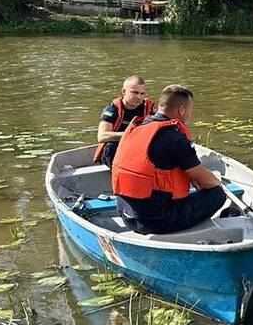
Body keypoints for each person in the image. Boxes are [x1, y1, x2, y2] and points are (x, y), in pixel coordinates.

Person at [111, 84, 228, 235]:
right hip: (157, 222)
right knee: (217, 194)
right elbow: (208, 183)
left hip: (127, 216)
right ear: (181, 110)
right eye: (190, 109)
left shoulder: (136, 127)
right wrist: (216, 181)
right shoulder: (174, 138)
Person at [95, 76, 154, 167]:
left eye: (142, 94)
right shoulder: (112, 109)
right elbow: (102, 136)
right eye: (134, 92)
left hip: (139, 147)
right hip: (117, 147)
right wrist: (133, 135)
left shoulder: (149, 108)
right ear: (123, 91)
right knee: (111, 147)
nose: (139, 97)